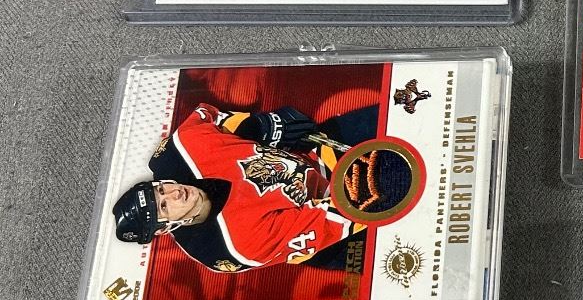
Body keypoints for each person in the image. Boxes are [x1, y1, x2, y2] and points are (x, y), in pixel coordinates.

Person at [110, 99, 383, 274]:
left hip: (316, 155)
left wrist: (260, 126)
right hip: (336, 235)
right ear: (164, 228)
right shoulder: (232, 246)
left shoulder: (181, 149)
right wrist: (383, 181)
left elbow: (210, 115)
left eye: (160, 189)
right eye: (164, 205)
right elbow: (334, 219)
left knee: (402, 108)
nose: (174, 193)